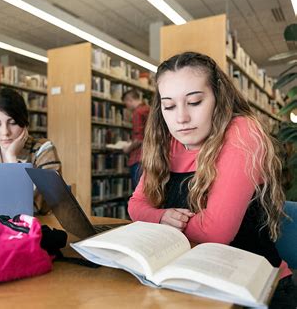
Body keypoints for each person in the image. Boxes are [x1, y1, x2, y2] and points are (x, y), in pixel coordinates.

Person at [127, 52, 296, 308]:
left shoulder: (242, 133)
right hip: (192, 279)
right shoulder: (167, 140)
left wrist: (157, 217)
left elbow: (216, 232)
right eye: (169, 106)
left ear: (218, 98)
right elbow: (135, 205)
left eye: (194, 102)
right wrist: (161, 217)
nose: (181, 118)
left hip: (255, 289)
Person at [0, 88, 61, 214]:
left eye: (13, 123)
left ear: (24, 122)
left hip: (33, 229)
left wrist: (11, 158)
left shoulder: (43, 150)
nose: (5, 132)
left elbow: (34, 207)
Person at [122, 89, 150, 189]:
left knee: (139, 191)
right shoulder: (149, 109)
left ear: (129, 100)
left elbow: (139, 139)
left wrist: (128, 148)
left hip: (138, 158)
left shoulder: (137, 112)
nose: (126, 106)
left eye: (126, 103)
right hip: (150, 156)